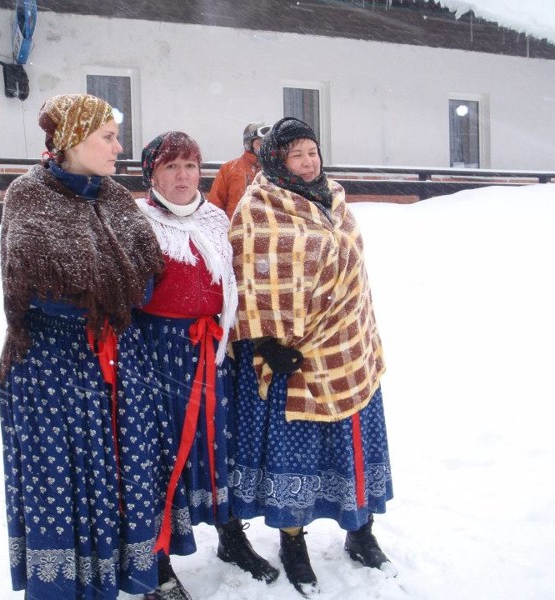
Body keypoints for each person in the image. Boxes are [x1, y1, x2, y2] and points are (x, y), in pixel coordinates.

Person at [0, 93, 166, 600]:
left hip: (117, 361)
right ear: (72, 139)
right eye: (108, 137)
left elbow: (145, 278)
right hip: (52, 367)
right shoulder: (29, 196)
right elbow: (40, 290)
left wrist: (107, 293)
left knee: (120, 472)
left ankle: (118, 575)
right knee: (61, 480)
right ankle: (63, 586)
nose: (119, 147)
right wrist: (110, 293)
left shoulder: (115, 198)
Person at [228, 117, 395, 596]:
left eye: (312, 152)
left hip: (347, 350)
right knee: (297, 457)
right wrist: (266, 344)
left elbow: (355, 275)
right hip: (293, 360)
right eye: (296, 154)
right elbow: (244, 281)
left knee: (353, 448)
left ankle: (360, 532)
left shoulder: (335, 199)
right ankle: (293, 542)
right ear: (276, 159)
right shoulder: (257, 209)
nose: (307, 162)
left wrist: (353, 327)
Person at [134, 131, 278, 600]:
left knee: (219, 446)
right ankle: (156, 560)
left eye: (191, 166)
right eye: (171, 167)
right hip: (158, 355)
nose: (183, 176)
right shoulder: (137, 222)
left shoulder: (216, 219)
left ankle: (230, 537)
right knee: (162, 454)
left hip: (214, 352)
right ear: (152, 174)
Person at [207, 121, 270, 220]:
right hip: (234, 228)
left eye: (268, 143)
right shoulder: (229, 169)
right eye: (260, 143)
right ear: (248, 144)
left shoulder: (276, 170)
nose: (265, 147)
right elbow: (214, 206)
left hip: (268, 228)